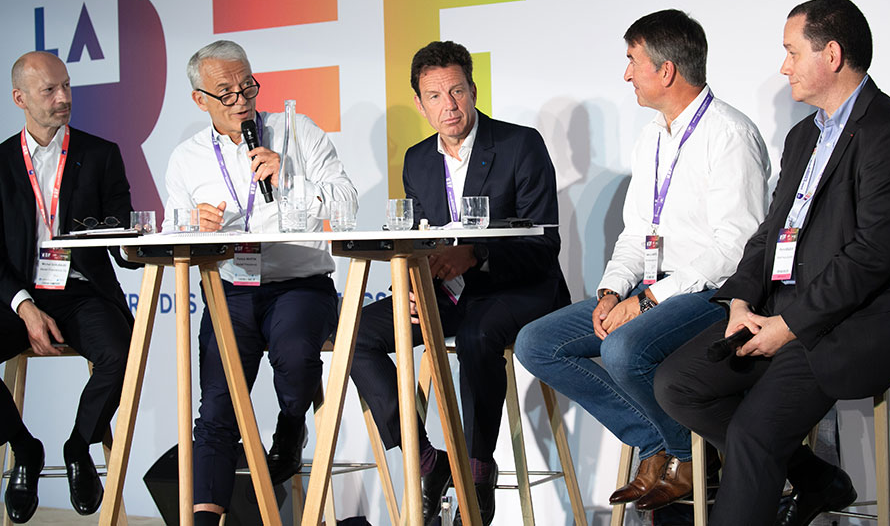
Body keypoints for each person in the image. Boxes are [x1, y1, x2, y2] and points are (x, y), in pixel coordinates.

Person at [655, 0, 890, 526]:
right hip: (783, 306)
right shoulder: (802, 136)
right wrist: (741, 301)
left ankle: (785, 473)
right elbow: (770, 232)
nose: (783, 66)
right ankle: (816, 478)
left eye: (792, 52)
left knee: (754, 434)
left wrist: (789, 325)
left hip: (853, 318)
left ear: (831, 55)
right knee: (678, 383)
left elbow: (873, 257)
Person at [515, 9, 770, 511]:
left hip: (710, 293)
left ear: (666, 70)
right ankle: (656, 441)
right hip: (653, 289)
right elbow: (637, 232)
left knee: (623, 349)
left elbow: (734, 248)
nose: (626, 73)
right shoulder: (652, 136)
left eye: (633, 60)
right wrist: (612, 290)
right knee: (537, 343)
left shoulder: (729, 134)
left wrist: (648, 300)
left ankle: (691, 457)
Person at [349, 40, 569, 524]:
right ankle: (427, 462)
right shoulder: (417, 160)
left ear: (472, 90)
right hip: (448, 293)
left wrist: (475, 255)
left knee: (476, 334)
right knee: (356, 333)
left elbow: (543, 244)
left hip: (518, 288)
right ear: (420, 104)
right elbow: (419, 240)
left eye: (456, 91)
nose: (448, 105)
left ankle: (476, 469)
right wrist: (412, 286)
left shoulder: (519, 144)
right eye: (435, 96)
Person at [163, 40, 357, 525]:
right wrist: (192, 224)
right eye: (226, 93)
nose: (241, 100)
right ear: (200, 99)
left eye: (247, 86)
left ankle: (291, 425)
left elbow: (347, 202)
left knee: (294, 359)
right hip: (230, 287)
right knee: (217, 406)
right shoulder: (186, 158)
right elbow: (170, 229)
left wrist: (290, 180)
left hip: (299, 283)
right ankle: (204, 517)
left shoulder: (298, 131)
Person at [0, 51, 138, 523]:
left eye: (66, 86)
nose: (63, 98)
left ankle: (79, 447)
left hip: (81, 290)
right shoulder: (0, 162)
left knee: (122, 353)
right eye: (49, 90)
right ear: (20, 99)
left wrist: (139, 241)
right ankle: (25, 448)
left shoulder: (101, 154)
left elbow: (122, 239)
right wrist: (24, 307)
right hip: (18, 294)